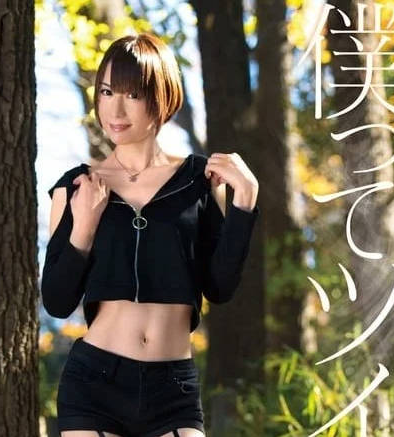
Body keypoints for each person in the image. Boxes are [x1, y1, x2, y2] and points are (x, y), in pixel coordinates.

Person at [42, 32, 260, 437]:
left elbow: (219, 287)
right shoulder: (77, 187)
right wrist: (84, 229)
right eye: (107, 92)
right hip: (94, 384)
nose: (115, 108)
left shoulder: (199, 180)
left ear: (161, 98)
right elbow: (56, 300)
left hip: (173, 389)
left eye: (133, 94)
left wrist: (244, 202)